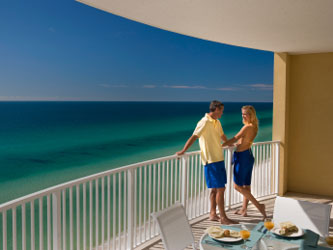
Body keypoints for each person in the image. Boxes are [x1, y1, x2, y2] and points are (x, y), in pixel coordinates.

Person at [176, 100, 237, 225]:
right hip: (210, 161)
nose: (222, 113)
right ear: (215, 109)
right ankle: (224, 218)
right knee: (221, 189)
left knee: (215, 190)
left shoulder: (217, 122)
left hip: (219, 158)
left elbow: (222, 135)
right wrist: (183, 150)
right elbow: (194, 136)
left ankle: (213, 214)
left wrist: (230, 143)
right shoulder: (203, 122)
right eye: (221, 111)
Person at [222, 105, 267, 218]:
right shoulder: (254, 126)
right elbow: (245, 140)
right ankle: (244, 209)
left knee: (237, 186)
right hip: (248, 155)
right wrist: (238, 144)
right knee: (246, 186)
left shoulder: (247, 127)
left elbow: (235, 138)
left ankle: (259, 205)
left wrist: (221, 145)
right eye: (242, 114)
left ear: (250, 115)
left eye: (245, 114)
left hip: (242, 157)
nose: (243, 116)